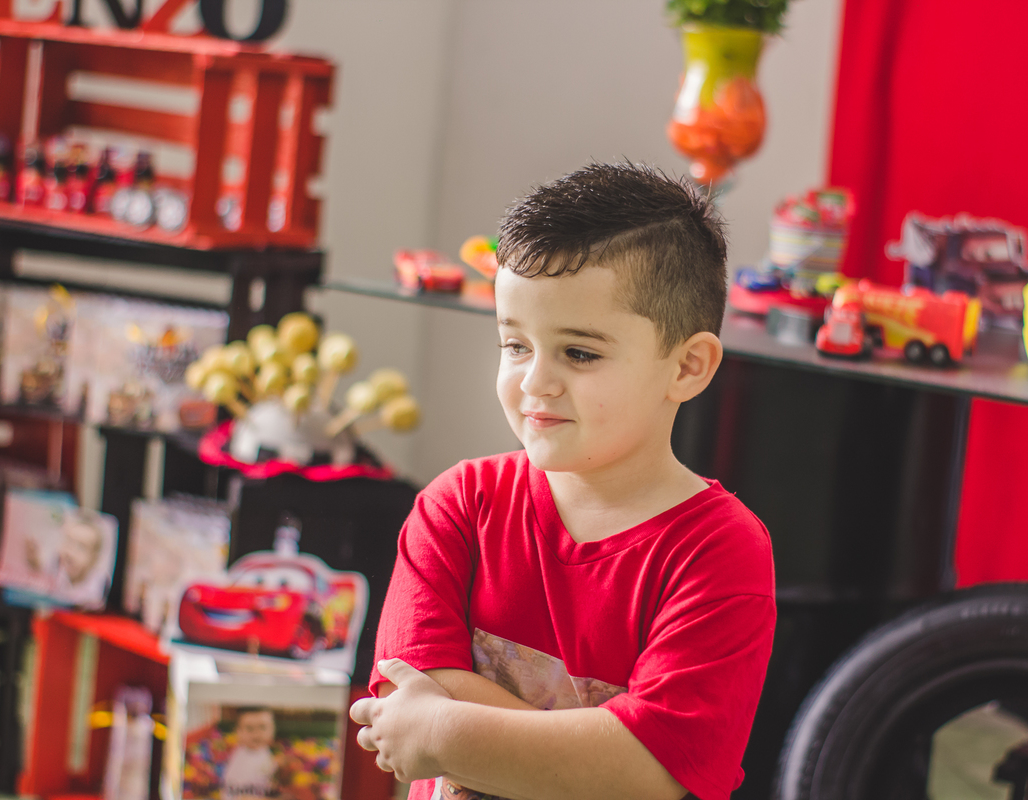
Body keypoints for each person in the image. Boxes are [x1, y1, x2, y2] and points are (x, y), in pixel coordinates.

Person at [351, 163, 776, 800]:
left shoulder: (719, 550)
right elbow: (402, 693)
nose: (534, 382)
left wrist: (442, 731)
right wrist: (598, 753)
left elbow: (652, 770)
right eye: (515, 345)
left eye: (579, 353)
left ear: (688, 366)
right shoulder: (457, 505)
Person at [220, 707, 278, 800]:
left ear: (272, 729)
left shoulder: (263, 750)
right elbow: (238, 794)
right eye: (249, 729)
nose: (256, 734)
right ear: (238, 732)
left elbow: (265, 774)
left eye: (262, 727)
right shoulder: (242, 760)